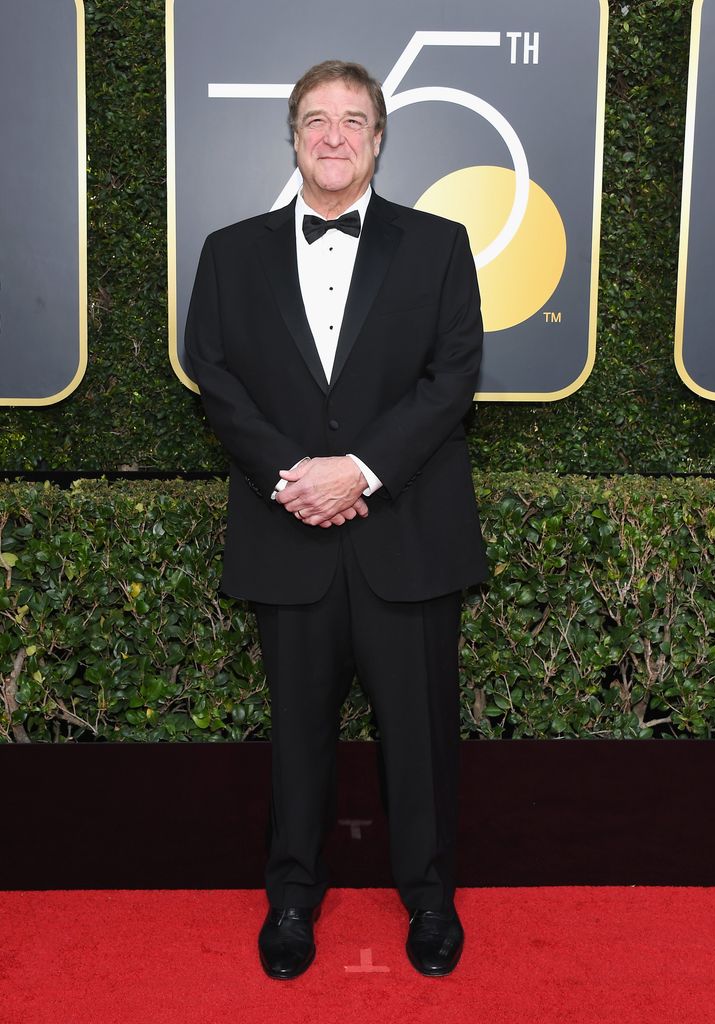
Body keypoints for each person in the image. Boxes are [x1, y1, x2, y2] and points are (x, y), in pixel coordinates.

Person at [185, 59, 487, 979]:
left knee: (421, 736)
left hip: (408, 537)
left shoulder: (439, 245)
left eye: (352, 119)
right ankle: (290, 897)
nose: (333, 136)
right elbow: (216, 378)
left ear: (379, 136)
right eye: (315, 119)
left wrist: (358, 472)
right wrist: (295, 476)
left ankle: (430, 902)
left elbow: (452, 378)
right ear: (292, 134)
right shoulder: (229, 252)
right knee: (297, 736)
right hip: (289, 537)